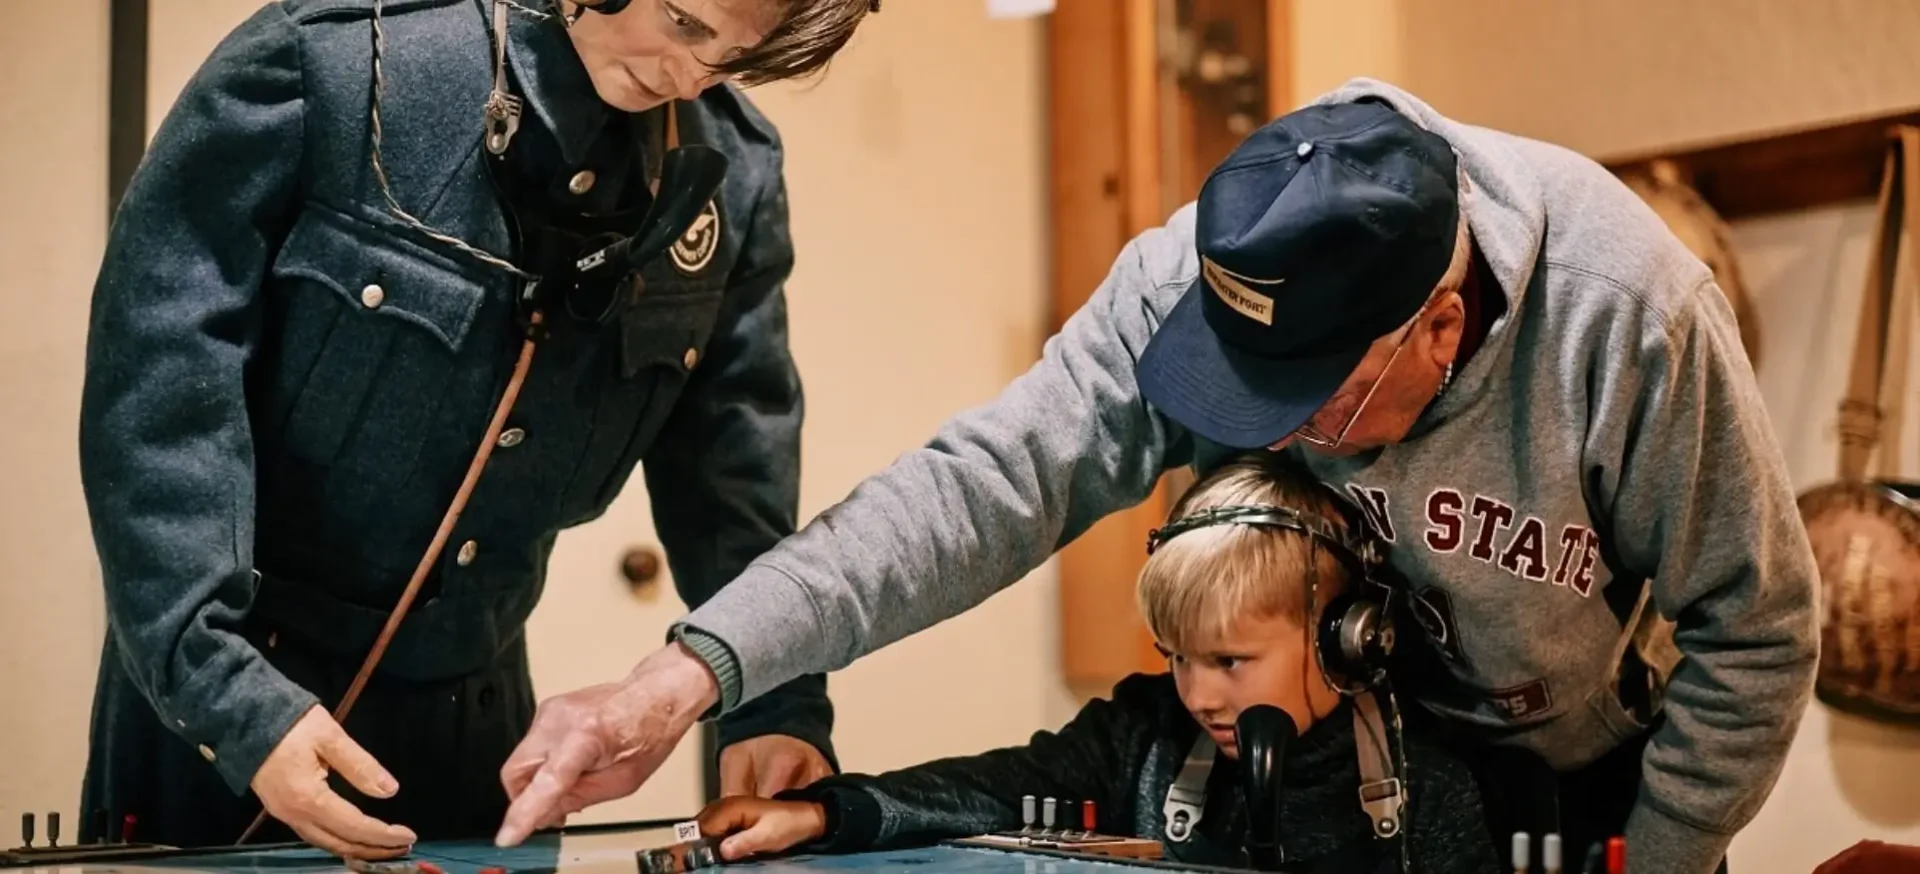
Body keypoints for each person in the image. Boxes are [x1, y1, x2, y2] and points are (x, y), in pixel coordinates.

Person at [497, 80, 1820, 874]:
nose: (1284, 435)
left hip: (1566, 804)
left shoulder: (1629, 316)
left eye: (1314, 403)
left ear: (1435, 324)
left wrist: (1657, 860)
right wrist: (690, 672)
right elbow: (983, 484)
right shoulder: (1210, 265)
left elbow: (1754, 627)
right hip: (1286, 767)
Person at [77, 0, 878, 859]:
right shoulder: (335, 68)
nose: (690, 75)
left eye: (735, 59)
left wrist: (774, 701)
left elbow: (734, 475)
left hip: (487, 742)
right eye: (684, 23)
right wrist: (227, 694)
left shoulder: (734, 172)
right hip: (232, 713)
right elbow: (160, 402)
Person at [691, 454, 1504, 873]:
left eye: (1230, 660)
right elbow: (993, 786)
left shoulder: (1430, 790)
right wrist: (826, 813)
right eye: (1179, 659)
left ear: (1347, 638)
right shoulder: (1146, 737)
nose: (1200, 695)